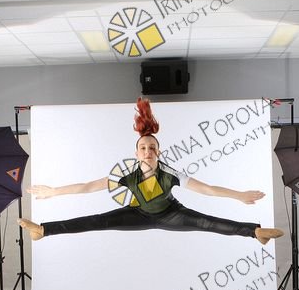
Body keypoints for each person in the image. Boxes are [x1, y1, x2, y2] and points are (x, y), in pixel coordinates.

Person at [19, 99, 284, 245]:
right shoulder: (127, 174)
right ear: (137, 153)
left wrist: (239, 195)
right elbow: (88, 186)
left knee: (207, 223)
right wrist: (53, 191)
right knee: (97, 221)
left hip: (172, 215)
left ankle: (255, 233)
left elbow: (208, 189)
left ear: (159, 151)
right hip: (138, 215)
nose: (148, 151)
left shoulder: (171, 173)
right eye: (143, 148)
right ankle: (42, 230)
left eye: (152, 147)